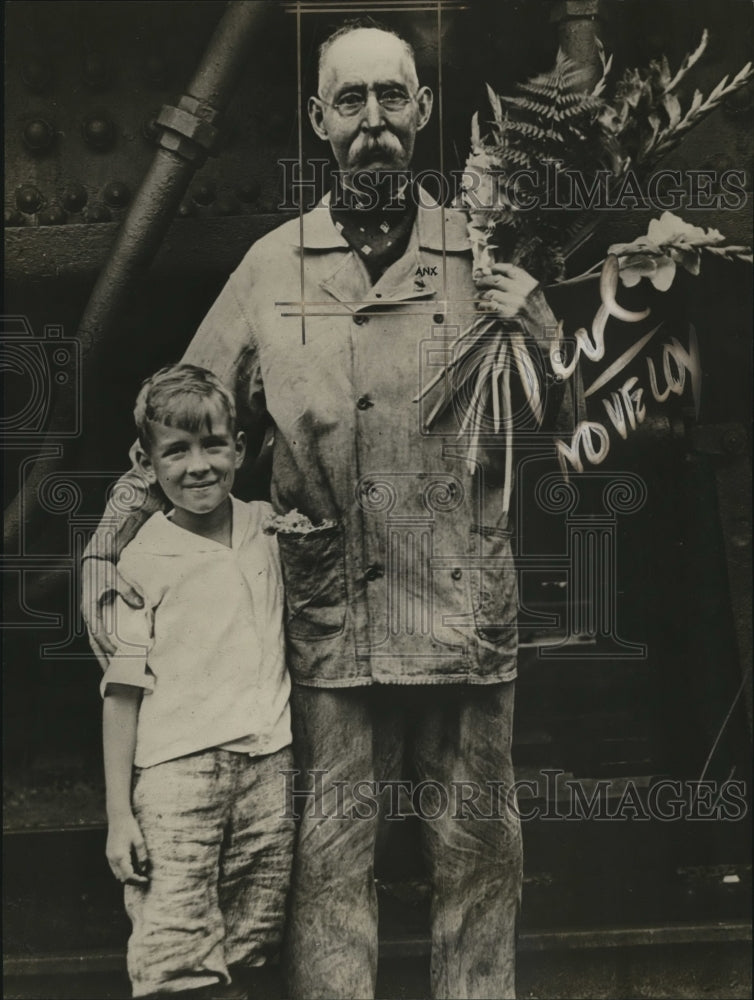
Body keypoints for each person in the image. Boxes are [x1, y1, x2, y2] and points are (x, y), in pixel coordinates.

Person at [83, 21, 571, 1000]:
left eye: (392, 98)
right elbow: (185, 410)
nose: (374, 122)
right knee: (332, 881)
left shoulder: (489, 257)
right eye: (350, 102)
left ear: (422, 112)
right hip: (333, 631)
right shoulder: (272, 269)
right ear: (319, 120)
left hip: (463, 621)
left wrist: (544, 330)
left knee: (478, 874)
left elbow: (562, 435)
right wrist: (105, 547)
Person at [99, 364, 293, 999]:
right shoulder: (140, 560)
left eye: (214, 445)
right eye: (176, 451)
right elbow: (122, 692)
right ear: (146, 461)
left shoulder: (270, 529)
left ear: (240, 447)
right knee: (175, 944)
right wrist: (119, 814)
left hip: (268, 766)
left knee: (254, 938)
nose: (199, 466)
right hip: (177, 776)